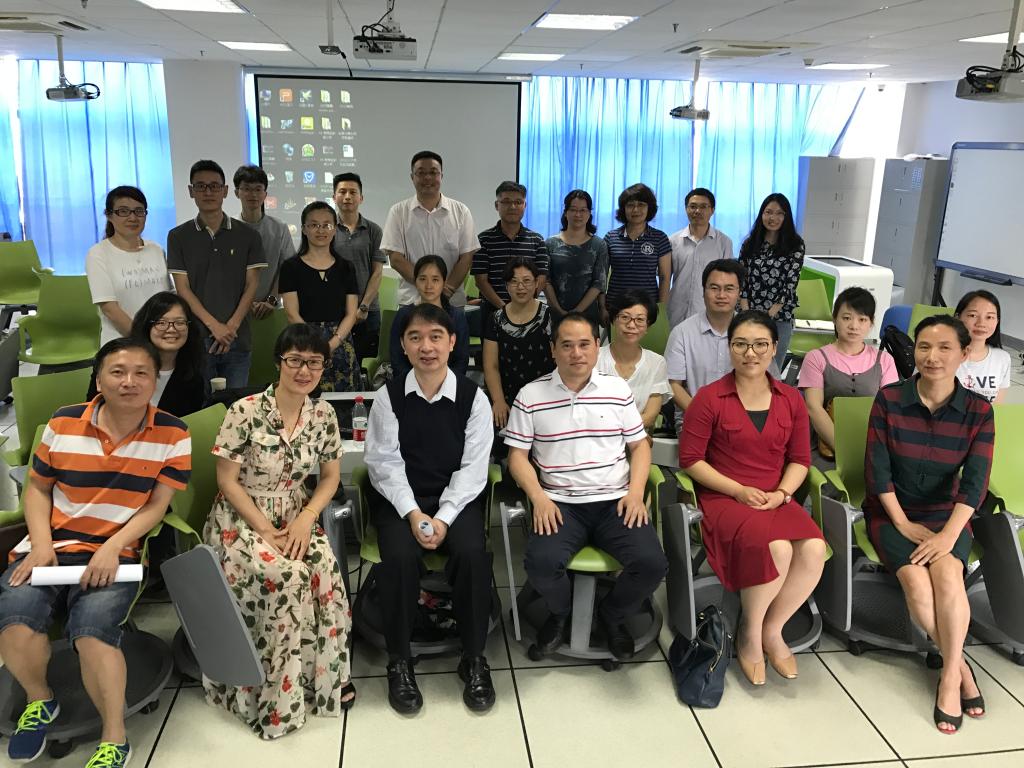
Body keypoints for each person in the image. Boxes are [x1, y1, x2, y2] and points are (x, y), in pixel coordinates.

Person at [0, 338, 191, 768]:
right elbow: (38, 490)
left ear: (155, 380)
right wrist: (41, 545)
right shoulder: (63, 421)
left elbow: (157, 505)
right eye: (117, 372)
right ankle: (40, 700)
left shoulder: (173, 432)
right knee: (14, 617)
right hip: (51, 545)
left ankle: (115, 738)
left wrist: (113, 546)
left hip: (116, 552)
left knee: (93, 631)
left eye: (141, 373)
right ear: (99, 380)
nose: (129, 382)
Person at [205, 323, 355, 738]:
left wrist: (307, 517)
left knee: (325, 571)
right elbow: (226, 481)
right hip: (242, 518)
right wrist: (265, 529)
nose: (304, 371)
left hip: (295, 512)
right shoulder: (245, 411)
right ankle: (275, 700)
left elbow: (330, 477)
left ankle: (322, 680)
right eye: (295, 361)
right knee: (287, 578)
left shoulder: (323, 415)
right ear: (278, 362)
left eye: (314, 363)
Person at [506, 312, 668, 660]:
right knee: (540, 563)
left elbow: (640, 446)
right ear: (553, 350)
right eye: (566, 345)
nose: (576, 353)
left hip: (615, 501)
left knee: (652, 563)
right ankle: (560, 613)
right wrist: (539, 498)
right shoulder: (531, 395)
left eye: (584, 344)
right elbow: (516, 456)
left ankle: (612, 615)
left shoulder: (616, 390)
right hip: (560, 503)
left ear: (597, 346)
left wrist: (635, 493)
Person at [679, 310, 825, 686]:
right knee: (778, 548)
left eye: (761, 344)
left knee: (813, 549)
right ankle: (749, 632)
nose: (750, 353)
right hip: (725, 497)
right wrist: (738, 490)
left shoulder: (790, 399)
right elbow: (691, 460)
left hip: (775, 495)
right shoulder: (709, 398)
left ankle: (772, 629)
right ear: (729, 348)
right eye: (741, 344)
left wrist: (782, 493)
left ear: (774, 348)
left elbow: (800, 460)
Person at [863, 315, 994, 734]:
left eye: (944, 348)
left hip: (945, 515)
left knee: (949, 576)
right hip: (892, 511)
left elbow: (975, 483)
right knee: (918, 586)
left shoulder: (978, 411)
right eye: (924, 346)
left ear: (964, 353)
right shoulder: (889, 399)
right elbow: (877, 472)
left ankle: (949, 677)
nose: (932, 356)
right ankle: (961, 671)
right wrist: (902, 523)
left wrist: (948, 536)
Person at [365, 304, 495, 714]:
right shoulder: (388, 397)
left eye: (436, 337)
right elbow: (383, 463)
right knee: (399, 558)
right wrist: (413, 513)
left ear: (452, 342)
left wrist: (443, 516)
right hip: (400, 500)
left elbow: (474, 469)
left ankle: (474, 657)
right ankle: (399, 660)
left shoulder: (474, 398)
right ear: (403, 346)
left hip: (455, 500)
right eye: (415, 338)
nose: (426, 347)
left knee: (472, 553)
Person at [167, 159, 266, 389]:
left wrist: (230, 327)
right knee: (201, 404)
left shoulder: (248, 236)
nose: (208, 192)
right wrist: (215, 327)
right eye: (201, 186)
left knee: (236, 406)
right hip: (197, 340)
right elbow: (183, 289)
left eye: (214, 186)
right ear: (191, 191)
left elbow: (252, 285)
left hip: (237, 339)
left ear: (226, 190)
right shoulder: (178, 236)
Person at [798, 287, 899, 457]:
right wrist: (845, 452)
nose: (854, 326)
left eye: (862, 319)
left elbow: (890, 410)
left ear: (871, 323)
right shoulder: (816, 357)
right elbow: (813, 408)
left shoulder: (884, 360)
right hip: (825, 446)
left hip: (872, 444)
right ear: (834, 318)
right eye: (846, 318)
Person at [381, 150, 478, 309]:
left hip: (452, 302)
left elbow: (466, 257)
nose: (427, 178)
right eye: (421, 173)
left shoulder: (461, 211)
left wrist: (446, 291)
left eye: (433, 172)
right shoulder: (398, 212)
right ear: (412, 177)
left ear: (441, 176)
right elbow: (396, 258)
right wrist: (427, 288)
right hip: (412, 302)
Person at [279, 202, 360, 392]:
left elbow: (351, 313)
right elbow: (291, 313)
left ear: (335, 229)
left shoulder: (346, 267)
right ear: (304, 229)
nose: (321, 230)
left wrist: (331, 344)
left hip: (340, 342)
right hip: (303, 342)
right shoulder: (290, 267)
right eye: (314, 225)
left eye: (326, 225)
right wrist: (315, 345)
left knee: (344, 403)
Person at [87, 292, 206, 417]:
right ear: (147, 326)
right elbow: (91, 413)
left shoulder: (193, 378)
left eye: (180, 323)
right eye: (161, 323)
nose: (171, 329)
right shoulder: (114, 362)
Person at [666, 259, 750, 433]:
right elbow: (673, 385)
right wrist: (703, 415)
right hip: (695, 419)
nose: (721, 295)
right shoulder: (682, 333)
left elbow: (766, 383)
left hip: (743, 420)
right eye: (714, 288)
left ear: (739, 293)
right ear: (703, 291)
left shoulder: (752, 332)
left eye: (729, 289)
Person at [86, 185, 172, 345]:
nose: (133, 218)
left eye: (139, 211)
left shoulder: (157, 249)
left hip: (163, 340)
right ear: (109, 215)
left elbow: (169, 297)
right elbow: (110, 310)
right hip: (122, 343)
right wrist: (145, 342)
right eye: (123, 211)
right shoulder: (98, 254)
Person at [482, 256, 554, 443]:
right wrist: (498, 400)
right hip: (507, 396)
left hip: (545, 397)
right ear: (506, 285)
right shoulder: (496, 319)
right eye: (514, 281)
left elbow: (559, 361)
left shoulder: (549, 316)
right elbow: (490, 365)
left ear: (536, 283)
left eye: (526, 281)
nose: (520, 287)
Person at [472, 181, 548, 339]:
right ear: (496, 205)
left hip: (529, 312)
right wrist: (505, 309)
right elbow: (481, 281)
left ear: (525, 205)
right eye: (506, 202)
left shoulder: (537, 240)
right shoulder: (483, 240)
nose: (512, 206)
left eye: (518, 202)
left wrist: (524, 303)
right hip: (492, 312)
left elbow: (541, 278)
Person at [738, 193, 805, 372]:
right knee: (746, 365)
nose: (772, 218)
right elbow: (742, 280)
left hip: (779, 316)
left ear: (786, 216)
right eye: (768, 212)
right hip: (749, 313)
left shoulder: (795, 245)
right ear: (761, 214)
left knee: (772, 369)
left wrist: (769, 315)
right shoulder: (750, 243)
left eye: (779, 213)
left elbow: (790, 283)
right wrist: (746, 313)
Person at [598, 290, 671, 433]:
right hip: (596, 439)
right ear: (613, 320)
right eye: (625, 317)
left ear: (648, 326)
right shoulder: (594, 358)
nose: (631, 325)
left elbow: (650, 417)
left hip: (637, 439)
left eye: (639, 320)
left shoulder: (656, 363)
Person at [333, 172, 385, 361]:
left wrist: (364, 306)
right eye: (342, 192)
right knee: (336, 363)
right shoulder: (326, 229)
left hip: (367, 312)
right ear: (334, 197)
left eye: (353, 192)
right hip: (335, 310)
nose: (347, 196)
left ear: (361, 198)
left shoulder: (374, 230)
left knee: (365, 364)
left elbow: (377, 272)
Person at [390, 256, 469, 381]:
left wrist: (443, 385)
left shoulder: (456, 316)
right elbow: (397, 359)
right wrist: (415, 384)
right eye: (422, 279)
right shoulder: (404, 315)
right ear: (415, 282)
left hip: (449, 385)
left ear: (444, 282)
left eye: (435, 280)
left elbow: (461, 360)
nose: (428, 286)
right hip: (409, 385)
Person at [233, 165, 296, 320]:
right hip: (235, 311)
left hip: (272, 309)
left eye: (258, 189)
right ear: (236, 192)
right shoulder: (227, 229)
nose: (253, 194)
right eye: (246, 189)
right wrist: (245, 303)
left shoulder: (279, 228)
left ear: (265, 194)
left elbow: (287, 268)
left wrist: (272, 299)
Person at [667, 187, 734, 328]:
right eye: (693, 206)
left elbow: (728, 280)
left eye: (703, 207)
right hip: (676, 310)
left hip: (708, 311)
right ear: (686, 209)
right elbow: (665, 277)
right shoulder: (673, 241)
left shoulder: (723, 242)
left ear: (712, 210)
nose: (697, 211)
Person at [603, 183, 671, 318]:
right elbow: (601, 276)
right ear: (623, 209)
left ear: (649, 208)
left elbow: (665, 277)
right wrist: (602, 307)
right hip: (615, 307)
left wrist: (661, 308)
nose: (635, 210)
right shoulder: (611, 237)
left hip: (647, 308)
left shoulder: (660, 238)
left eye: (641, 205)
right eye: (630, 205)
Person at [544, 189, 608, 325]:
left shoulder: (599, 245)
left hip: (588, 317)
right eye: (573, 209)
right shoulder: (550, 243)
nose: (578, 214)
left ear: (589, 214)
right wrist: (558, 309)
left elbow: (599, 283)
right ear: (565, 212)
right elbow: (546, 280)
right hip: (556, 315)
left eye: (583, 210)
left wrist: (577, 311)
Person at [953, 290, 1011, 404]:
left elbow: (996, 406)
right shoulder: (942, 354)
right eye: (973, 315)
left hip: (985, 416)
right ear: (957, 317)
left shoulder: (1002, 358)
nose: (981, 323)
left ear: (997, 321)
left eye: (989, 317)